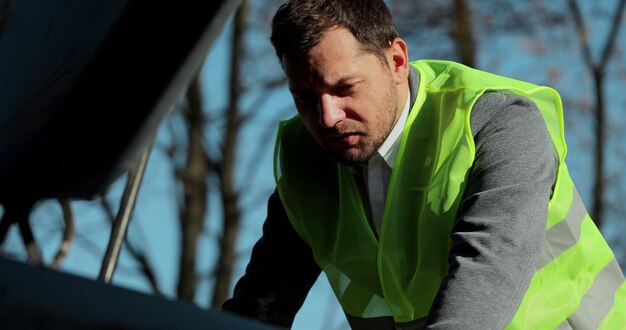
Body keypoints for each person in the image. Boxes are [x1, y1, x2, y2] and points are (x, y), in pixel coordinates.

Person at [222, 0, 626, 328]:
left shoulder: (498, 123)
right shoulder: (305, 161)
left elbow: (484, 277)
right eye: (304, 98)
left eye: (344, 88)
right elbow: (261, 303)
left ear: (396, 61)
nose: (327, 116)